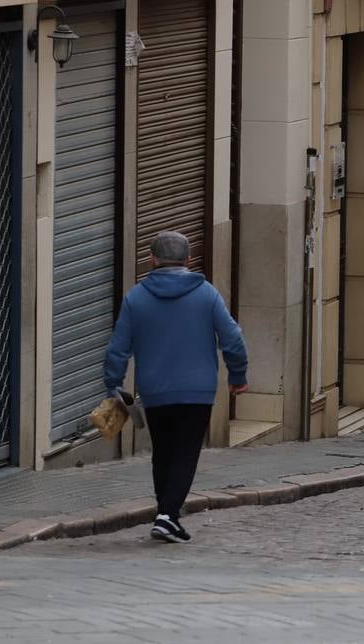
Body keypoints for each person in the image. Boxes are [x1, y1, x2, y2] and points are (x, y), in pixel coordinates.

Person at [103, 231, 248, 543]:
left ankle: (165, 514)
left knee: (164, 453)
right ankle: (168, 515)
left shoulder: (135, 298)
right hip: (197, 392)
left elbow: (117, 348)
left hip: (155, 392)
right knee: (185, 453)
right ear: (189, 259)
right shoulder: (207, 294)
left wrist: (112, 384)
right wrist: (237, 376)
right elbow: (233, 338)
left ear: (152, 259)